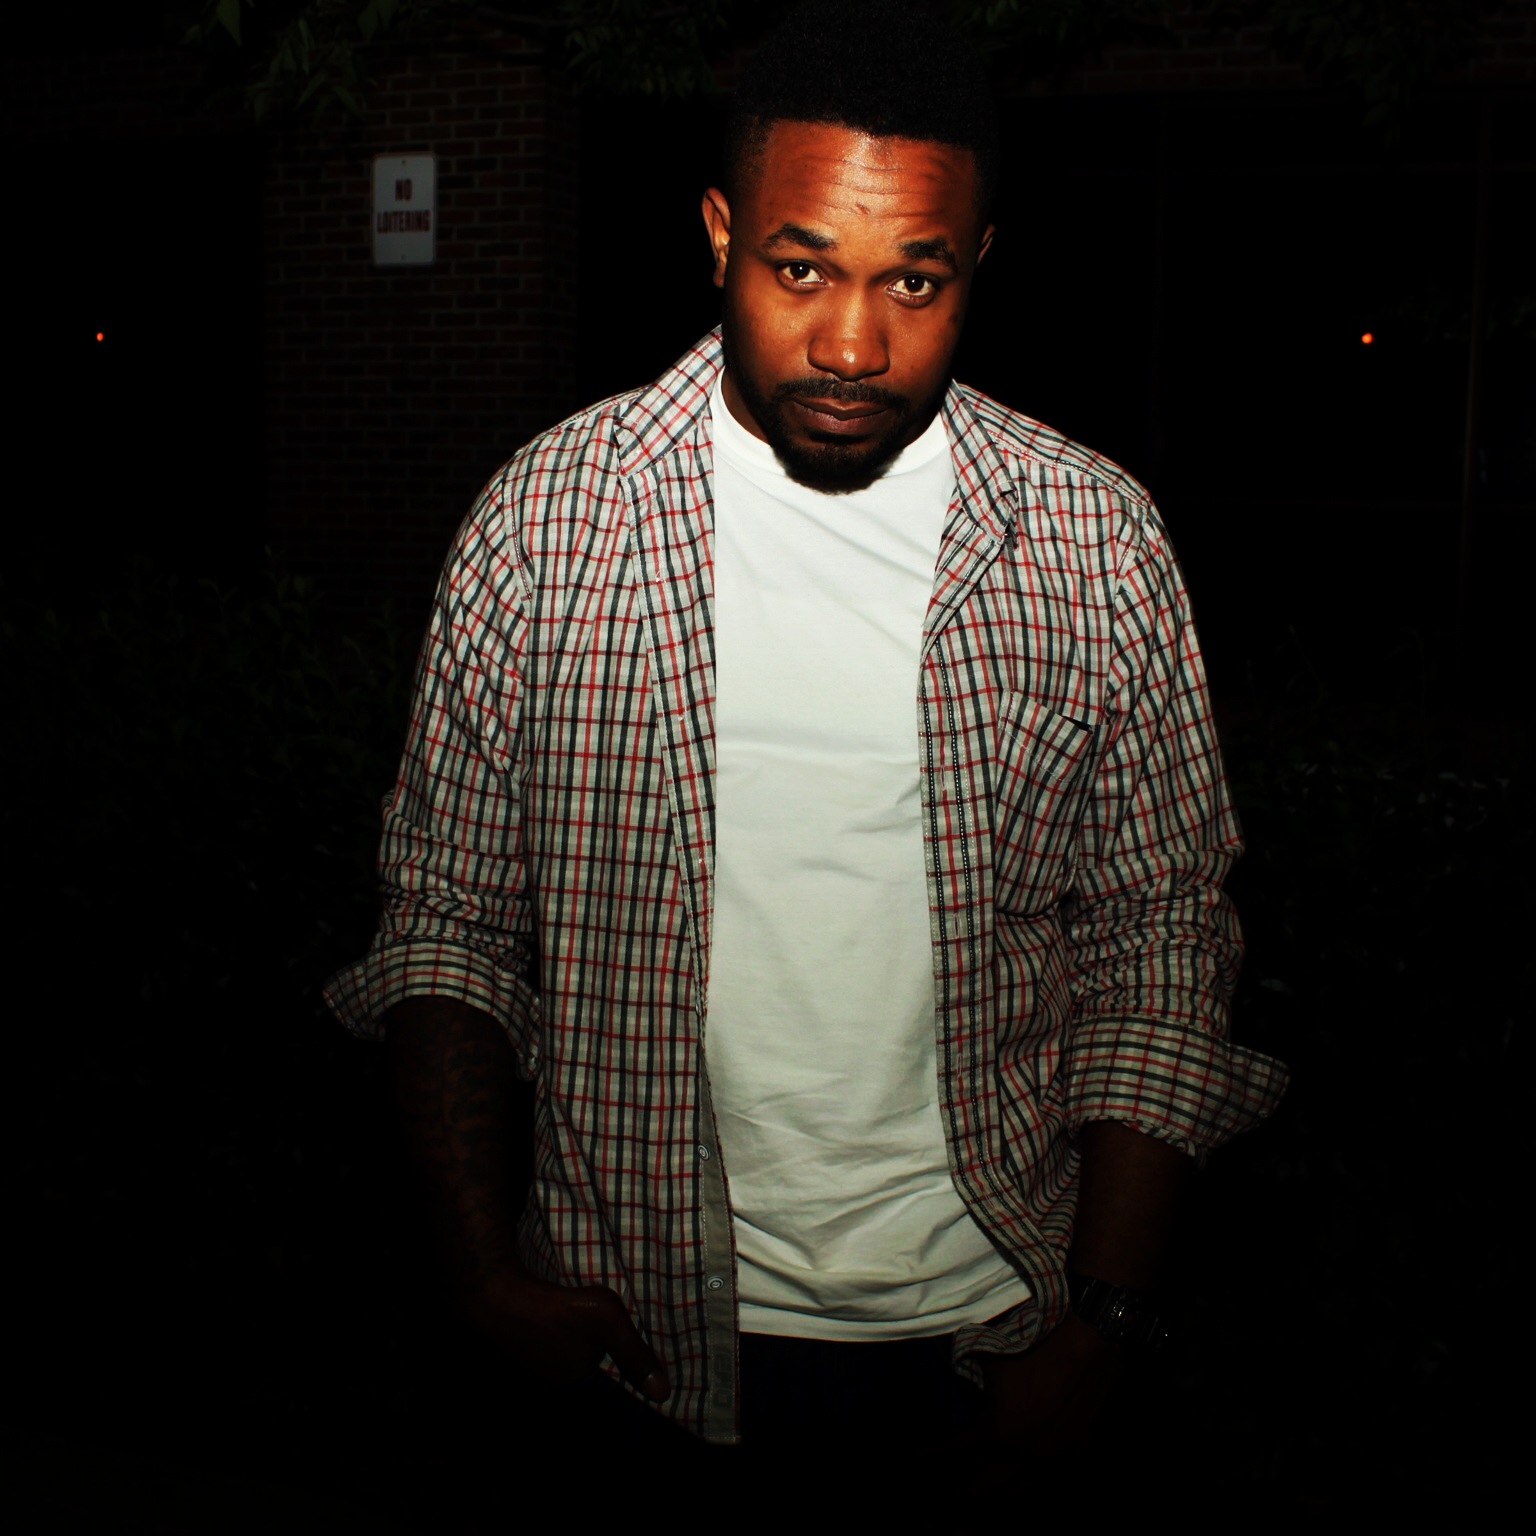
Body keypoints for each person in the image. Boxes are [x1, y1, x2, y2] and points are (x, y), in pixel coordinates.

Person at [324, 0, 1287, 1494]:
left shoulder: (1090, 539)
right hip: (630, 1343)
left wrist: (1104, 1328)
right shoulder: (551, 522)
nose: (852, 342)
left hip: (985, 1338)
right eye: (801, 268)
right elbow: (449, 919)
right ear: (721, 236)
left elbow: (1159, 935)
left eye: (915, 279)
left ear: (979, 262)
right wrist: (480, 1275)